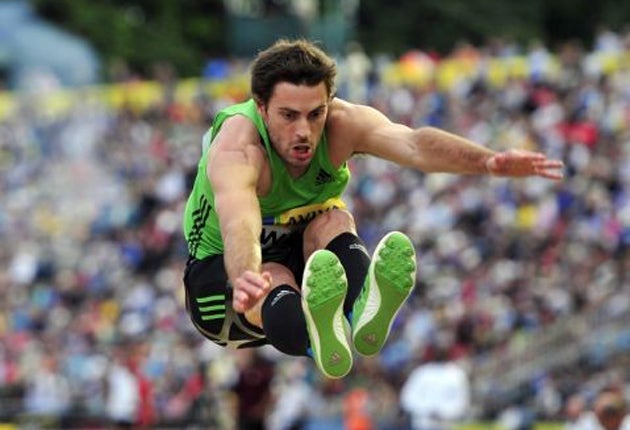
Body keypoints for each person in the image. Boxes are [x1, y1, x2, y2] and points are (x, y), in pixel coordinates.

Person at [182, 38, 564, 379]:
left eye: (315, 114)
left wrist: (487, 161)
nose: (304, 131)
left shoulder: (343, 123)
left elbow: (415, 145)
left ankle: (361, 308)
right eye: (288, 116)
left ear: (328, 104)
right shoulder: (239, 145)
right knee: (273, 272)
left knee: (331, 218)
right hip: (222, 282)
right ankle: (314, 334)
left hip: (298, 253)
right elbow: (239, 222)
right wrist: (245, 274)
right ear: (262, 108)